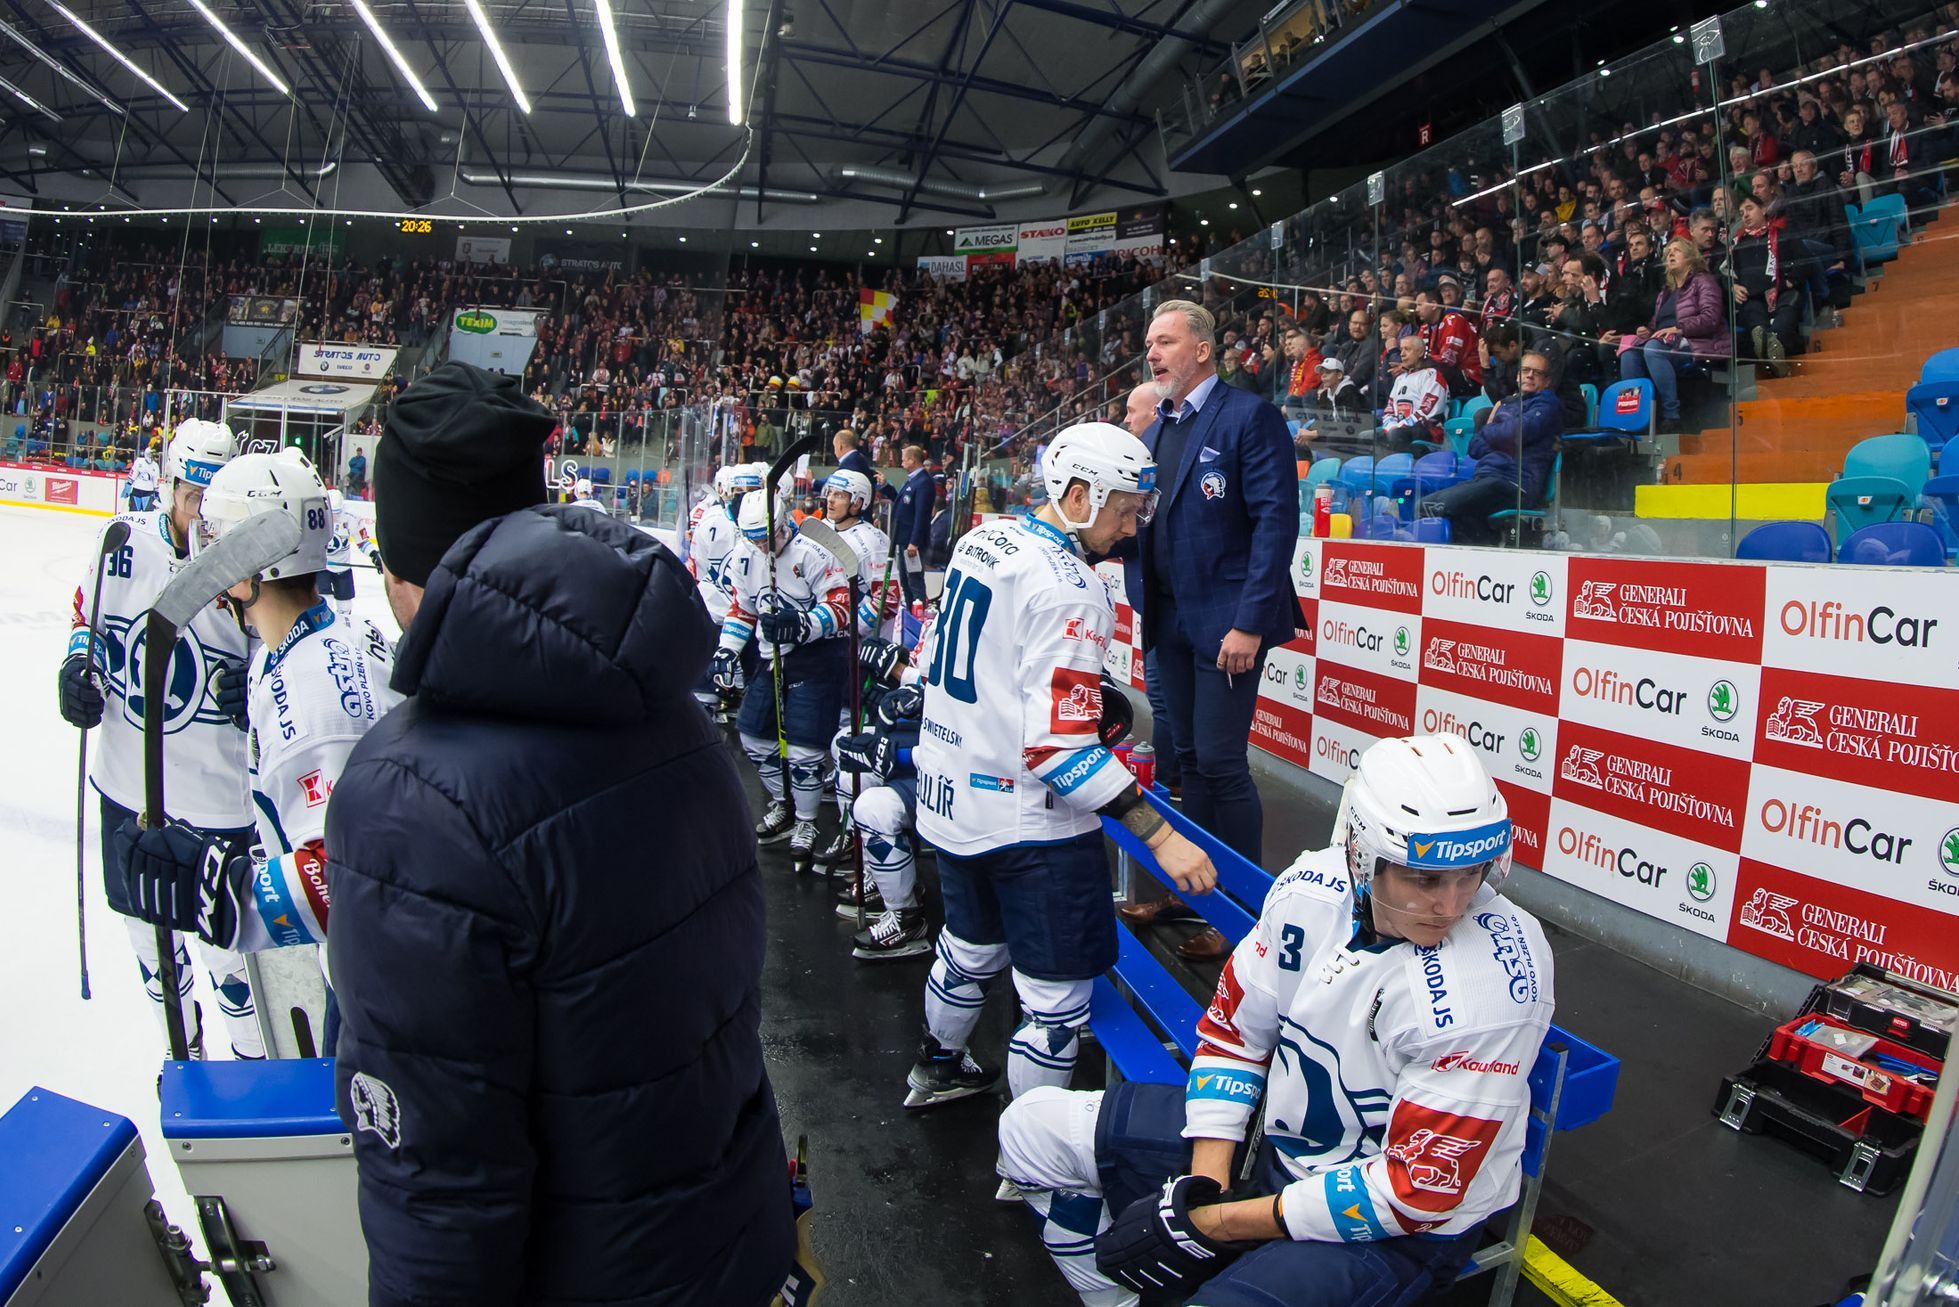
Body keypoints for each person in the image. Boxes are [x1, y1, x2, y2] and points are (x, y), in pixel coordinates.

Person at [326, 361, 793, 1306]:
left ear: (403, 570)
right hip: (728, 1235)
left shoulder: (407, 796)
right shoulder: (660, 694)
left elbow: (438, 1176)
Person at [996, 735, 1554, 1307]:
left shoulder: (1494, 982)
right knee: (1029, 1130)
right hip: (1280, 1150)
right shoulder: (1310, 888)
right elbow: (1234, 1033)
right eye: (1426, 879)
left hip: (1397, 1230)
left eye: (1471, 874)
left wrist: (1214, 1225)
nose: (1453, 904)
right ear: (1361, 856)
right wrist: (1205, 1188)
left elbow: (1415, 1194)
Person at [904, 422, 1219, 1111]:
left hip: (953, 801)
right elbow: (1059, 749)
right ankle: (1032, 1162)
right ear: (1077, 493)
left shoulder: (980, 539)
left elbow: (945, 661)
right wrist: (1160, 835)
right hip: (1029, 827)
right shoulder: (1071, 585)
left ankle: (936, 1066)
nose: (1132, 527)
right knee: (1055, 1001)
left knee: (968, 946)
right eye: (1124, 507)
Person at [112, 450, 397, 1055]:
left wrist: (223, 889)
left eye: (218, 541)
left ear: (252, 565)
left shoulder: (313, 698)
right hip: (367, 974)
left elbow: (349, 879)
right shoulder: (309, 641)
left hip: (374, 991)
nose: (205, 558)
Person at [59, 418, 263, 1062]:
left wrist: (254, 688)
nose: (199, 513)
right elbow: (87, 618)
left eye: (211, 500)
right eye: (190, 496)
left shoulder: (249, 563)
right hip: (129, 791)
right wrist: (78, 668)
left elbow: (288, 649)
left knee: (231, 961)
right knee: (154, 956)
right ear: (171, 484)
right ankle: (186, 1059)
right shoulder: (119, 542)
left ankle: (254, 1068)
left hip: (218, 805)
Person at [1137, 301, 1297, 867]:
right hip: (1168, 620)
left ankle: (1243, 906)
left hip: (1227, 625)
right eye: (1150, 343)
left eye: (1165, 342)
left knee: (1221, 762)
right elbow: (1148, 523)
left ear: (1202, 350)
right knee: (1184, 757)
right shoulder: (1159, 426)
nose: (1152, 353)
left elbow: (1275, 525)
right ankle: (1199, 896)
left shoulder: (1249, 417)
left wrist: (1250, 624)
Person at [713, 480, 852, 870]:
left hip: (816, 657)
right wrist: (727, 649)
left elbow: (842, 606)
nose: (763, 548)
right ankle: (785, 803)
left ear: (783, 524)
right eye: (755, 540)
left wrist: (804, 624)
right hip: (771, 658)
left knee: (807, 750)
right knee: (754, 735)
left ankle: (807, 823)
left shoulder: (812, 552)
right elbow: (743, 610)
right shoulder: (744, 557)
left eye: (768, 539)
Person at [1419, 348, 1561, 545]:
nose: (1530, 375)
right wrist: (1500, 434)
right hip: (1486, 479)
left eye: (1537, 372)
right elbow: (1475, 448)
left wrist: (1491, 431)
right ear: (1518, 375)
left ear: (1547, 381)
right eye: (1525, 370)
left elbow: (1516, 433)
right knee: (1432, 508)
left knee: (1431, 506)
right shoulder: (1507, 404)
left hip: (1515, 484)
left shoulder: (1547, 405)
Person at [1620, 239, 1730, 427]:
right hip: (1667, 340)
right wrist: (1647, 331)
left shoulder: (1704, 281)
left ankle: (1672, 414)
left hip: (1695, 341)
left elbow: (1711, 319)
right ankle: (1636, 417)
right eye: (1668, 252)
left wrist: (1679, 329)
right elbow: (1658, 323)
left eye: (1676, 251)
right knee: (1629, 354)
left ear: (1691, 257)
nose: (1670, 254)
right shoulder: (1666, 292)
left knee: (1654, 349)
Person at [689, 462, 760, 718]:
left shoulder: (770, 521)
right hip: (719, 612)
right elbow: (697, 565)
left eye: (752, 490)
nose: (745, 496)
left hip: (751, 614)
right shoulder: (711, 521)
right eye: (741, 490)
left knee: (753, 681)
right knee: (710, 683)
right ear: (727, 491)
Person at [1727, 193, 1801, 376]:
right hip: (1752, 298)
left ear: (1763, 209)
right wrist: (1732, 286)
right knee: (1755, 323)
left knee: (1785, 317)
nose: (1744, 215)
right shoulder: (1736, 245)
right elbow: (1724, 274)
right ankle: (1770, 347)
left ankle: (1772, 345)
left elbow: (1805, 261)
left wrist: (1790, 281)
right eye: (1741, 212)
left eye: (1749, 209)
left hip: (1782, 292)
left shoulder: (1783, 236)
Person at [1380, 335, 1449, 449]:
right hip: (1400, 429)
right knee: (1367, 436)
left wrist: (1399, 426)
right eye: (1401, 349)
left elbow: (1427, 411)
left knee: (1396, 435)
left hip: (1428, 431)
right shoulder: (1400, 378)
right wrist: (1390, 425)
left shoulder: (1432, 375)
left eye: (1407, 349)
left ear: (1420, 352)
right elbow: (1389, 409)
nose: (1402, 354)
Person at [891, 442, 936, 608]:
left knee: (914, 579)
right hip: (904, 539)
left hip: (912, 542)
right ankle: (910, 612)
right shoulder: (913, 481)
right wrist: (886, 487)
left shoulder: (924, 482)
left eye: (904, 459)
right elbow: (902, 502)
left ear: (912, 460)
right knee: (905, 580)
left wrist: (914, 542)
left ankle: (919, 615)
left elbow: (921, 515)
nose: (901, 462)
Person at [126, 438, 160, 512]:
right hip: (137, 489)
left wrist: (156, 492)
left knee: (147, 514)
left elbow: (156, 480)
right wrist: (128, 485)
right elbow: (133, 474)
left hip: (149, 491)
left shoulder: (155, 466)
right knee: (134, 512)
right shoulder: (139, 461)